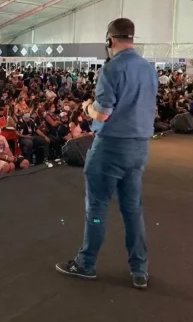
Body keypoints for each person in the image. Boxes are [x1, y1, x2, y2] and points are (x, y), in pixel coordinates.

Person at [56, 18, 157, 290]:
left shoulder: (111, 69)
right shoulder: (149, 69)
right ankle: (140, 270)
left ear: (110, 40)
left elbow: (102, 113)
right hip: (139, 148)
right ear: (132, 39)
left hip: (111, 147)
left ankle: (86, 263)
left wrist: (87, 107)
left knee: (97, 207)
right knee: (133, 210)